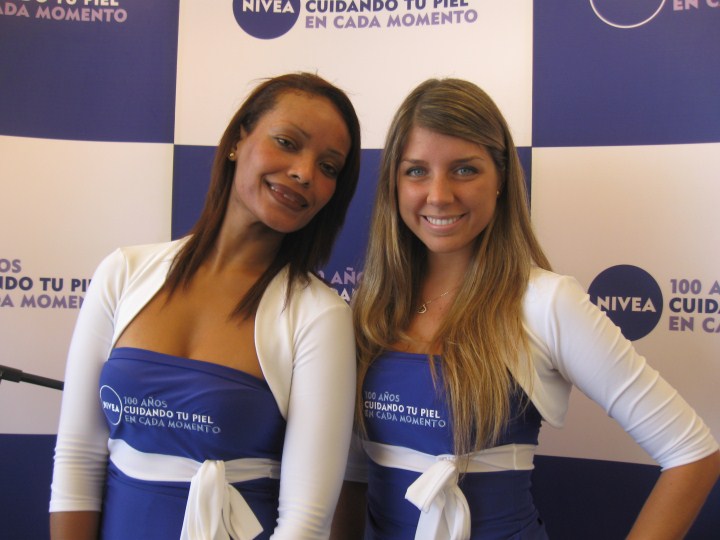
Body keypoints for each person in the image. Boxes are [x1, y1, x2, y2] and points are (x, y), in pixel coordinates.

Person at [331, 78, 720, 540]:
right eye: (416, 171)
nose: (438, 194)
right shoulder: (372, 307)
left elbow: (692, 453)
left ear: (500, 179)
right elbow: (352, 475)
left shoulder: (545, 302)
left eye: (464, 169)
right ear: (394, 184)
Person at [49, 72, 362, 540]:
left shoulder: (318, 316)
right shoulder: (123, 273)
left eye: (329, 167)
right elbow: (78, 459)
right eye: (287, 142)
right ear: (238, 140)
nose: (304, 172)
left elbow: (306, 520)